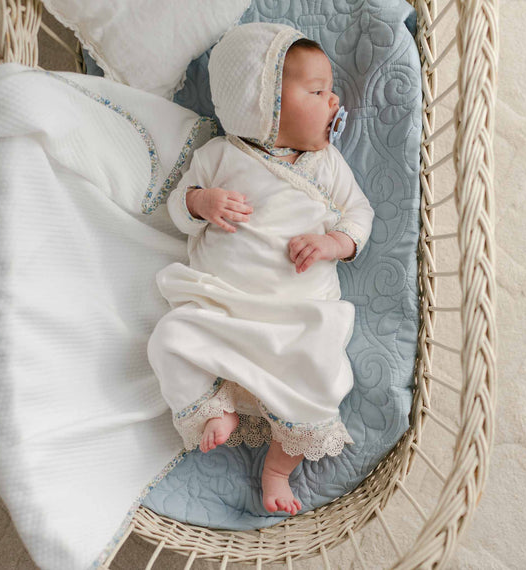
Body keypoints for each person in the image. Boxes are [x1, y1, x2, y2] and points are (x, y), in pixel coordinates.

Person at [147, 22, 375, 517]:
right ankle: (216, 407)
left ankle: (277, 467)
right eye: (318, 91)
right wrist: (201, 202)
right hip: (222, 307)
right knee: (169, 336)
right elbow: (177, 211)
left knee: (320, 375)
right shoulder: (218, 156)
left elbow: (361, 215)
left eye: (330, 91)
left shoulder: (328, 165)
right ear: (261, 104)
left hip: (296, 318)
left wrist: (334, 242)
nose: (334, 101)